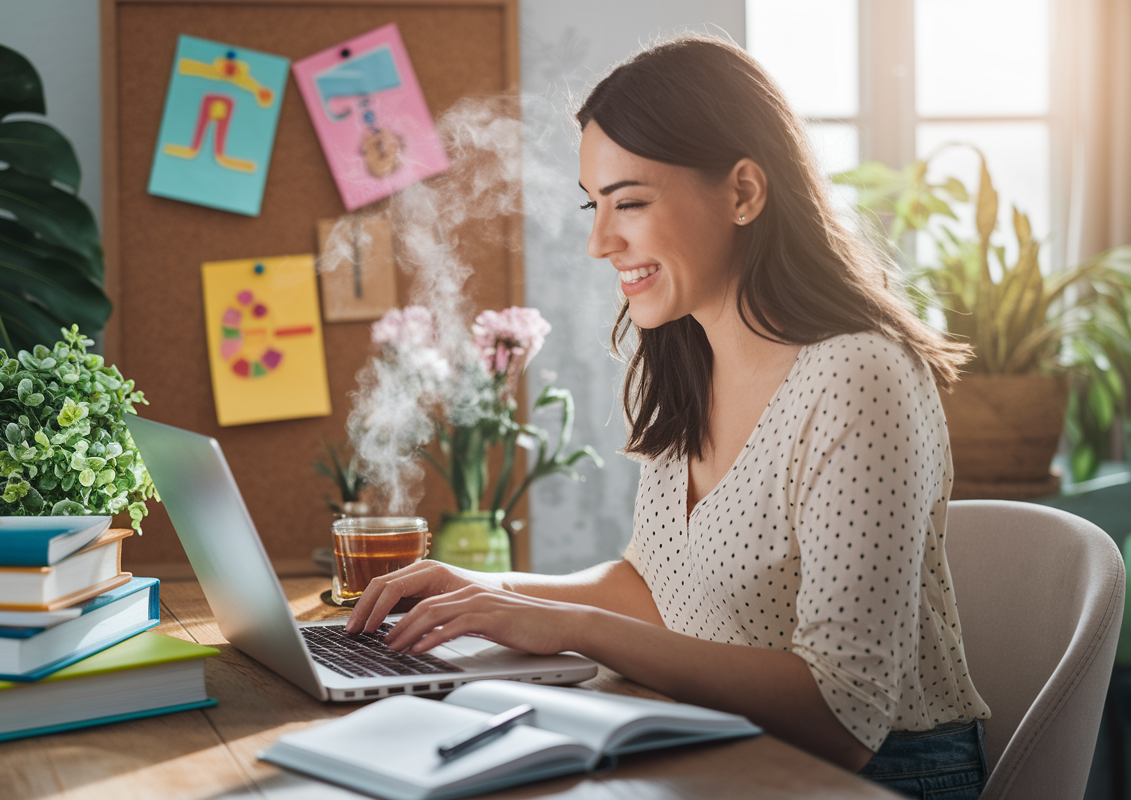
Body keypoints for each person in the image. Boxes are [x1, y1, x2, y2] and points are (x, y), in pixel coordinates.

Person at [345, 34, 992, 799]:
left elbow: (844, 718)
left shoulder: (860, 376)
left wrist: (571, 629)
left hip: (881, 779)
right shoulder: (686, 356)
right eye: (595, 205)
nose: (599, 241)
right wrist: (485, 594)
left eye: (631, 202)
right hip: (719, 744)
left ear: (744, 193)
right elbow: (651, 587)